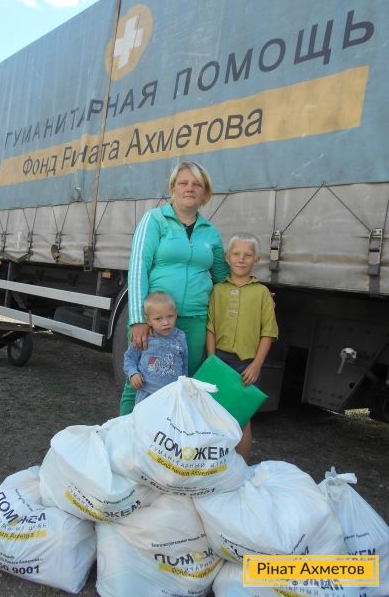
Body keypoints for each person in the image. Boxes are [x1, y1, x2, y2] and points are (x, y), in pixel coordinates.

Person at [119, 161, 229, 415]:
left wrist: (255, 294)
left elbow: (223, 277)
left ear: (205, 192)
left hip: (194, 321)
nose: (190, 188)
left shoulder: (210, 232)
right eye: (183, 183)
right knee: (138, 383)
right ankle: (124, 434)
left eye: (197, 184)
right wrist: (138, 319)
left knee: (183, 386)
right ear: (173, 188)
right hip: (154, 320)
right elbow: (138, 268)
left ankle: (166, 438)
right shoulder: (154, 220)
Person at [206, 232, 278, 462]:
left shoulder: (262, 293)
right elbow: (211, 327)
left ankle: (243, 469)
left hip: (247, 366)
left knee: (242, 419)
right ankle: (214, 467)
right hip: (220, 361)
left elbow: (269, 332)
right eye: (236, 254)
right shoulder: (217, 290)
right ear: (227, 258)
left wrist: (256, 365)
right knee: (213, 416)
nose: (241, 259)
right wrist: (212, 360)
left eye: (248, 255)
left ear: (257, 260)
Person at [123, 291, 188, 405]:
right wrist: (133, 374)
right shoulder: (145, 337)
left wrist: (184, 386)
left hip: (172, 396)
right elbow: (129, 358)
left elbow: (185, 365)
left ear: (176, 314)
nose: (166, 322)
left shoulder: (181, 337)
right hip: (146, 394)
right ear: (148, 320)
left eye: (170, 316)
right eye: (158, 319)